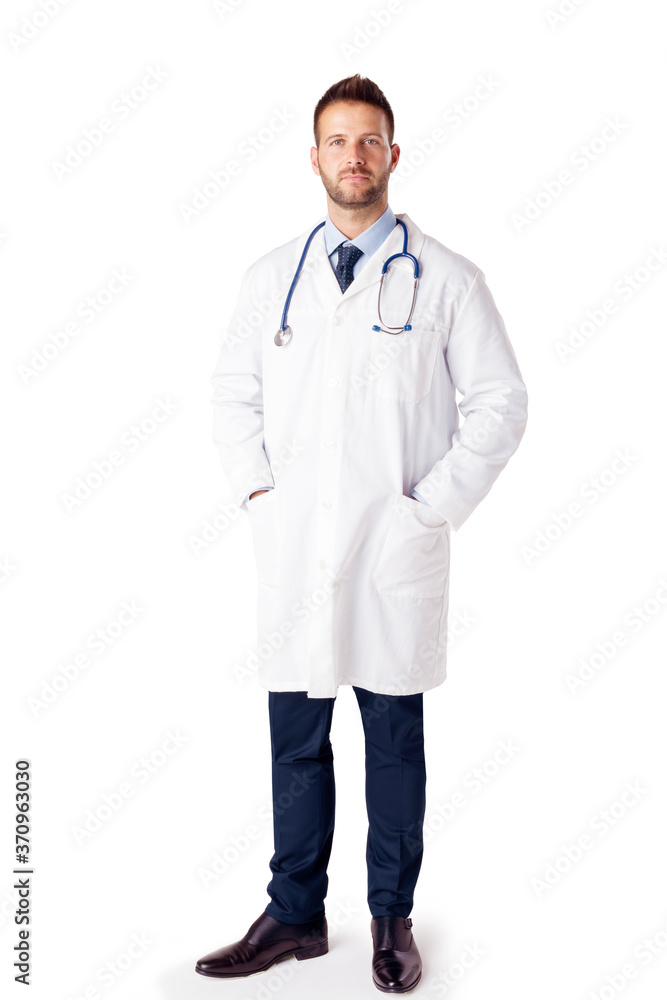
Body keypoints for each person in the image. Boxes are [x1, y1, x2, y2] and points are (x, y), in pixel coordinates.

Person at [196, 74, 528, 993]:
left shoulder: (449, 279)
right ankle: (296, 915)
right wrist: (258, 493)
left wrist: (431, 508)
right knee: (295, 740)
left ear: (392, 153)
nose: (353, 156)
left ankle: (389, 919)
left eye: (369, 140)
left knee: (392, 741)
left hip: (393, 552)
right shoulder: (273, 278)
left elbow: (501, 402)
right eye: (337, 141)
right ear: (314, 158)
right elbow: (232, 394)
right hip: (293, 549)